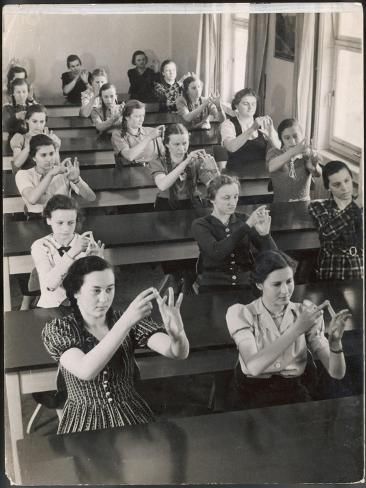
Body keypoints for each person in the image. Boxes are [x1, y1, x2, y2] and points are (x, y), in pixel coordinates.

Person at [41, 255, 189, 433]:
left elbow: (177, 353)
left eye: (109, 289)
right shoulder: (58, 329)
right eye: (96, 291)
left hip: (130, 412)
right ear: (75, 292)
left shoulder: (124, 319)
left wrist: (177, 334)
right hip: (83, 418)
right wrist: (126, 321)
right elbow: (85, 370)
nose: (104, 299)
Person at [226, 249, 350, 408]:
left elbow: (337, 373)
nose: (285, 290)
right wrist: (297, 329)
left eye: (289, 281)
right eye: (277, 284)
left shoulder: (305, 311)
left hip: (293, 392)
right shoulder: (241, 313)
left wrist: (335, 343)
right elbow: (253, 367)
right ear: (259, 284)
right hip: (251, 394)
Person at [191, 174, 277, 293]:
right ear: (212, 199)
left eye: (235, 197)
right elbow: (217, 252)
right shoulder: (200, 224)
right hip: (214, 285)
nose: (233, 202)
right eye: (226, 198)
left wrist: (265, 236)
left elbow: (274, 258)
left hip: (246, 283)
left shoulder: (243, 219)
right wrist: (247, 225)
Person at [31, 195, 104, 308]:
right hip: (52, 307)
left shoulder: (87, 243)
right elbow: (50, 285)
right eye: (60, 223)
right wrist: (72, 253)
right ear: (49, 220)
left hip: (83, 306)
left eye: (71, 223)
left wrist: (99, 262)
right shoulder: (40, 246)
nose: (66, 229)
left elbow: (100, 285)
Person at [15, 134, 96, 217]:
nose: (49, 159)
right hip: (36, 220)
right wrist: (51, 174)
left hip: (63, 218)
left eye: (51, 153)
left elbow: (91, 197)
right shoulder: (23, 174)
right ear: (33, 157)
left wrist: (77, 181)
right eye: (43, 155)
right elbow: (32, 199)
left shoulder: (65, 171)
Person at [308, 161, 363, 280]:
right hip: (333, 269)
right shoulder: (318, 206)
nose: (345, 188)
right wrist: (356, 206)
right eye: (337, 184)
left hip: (360, 268)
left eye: (347, 181)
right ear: (328, 187)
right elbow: (327, 233)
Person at [149, 123, 220, 210]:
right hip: (165, 203)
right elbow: (162, 185)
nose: (182, 148)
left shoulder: (196, 160)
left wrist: (214, 169)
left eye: (184, 143)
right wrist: (186, 162)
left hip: (192, 203)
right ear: (167, 144)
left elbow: (216, 188)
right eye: (176, 144)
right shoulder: (157, 161)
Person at [220, 88, 280, 172]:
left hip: (259, 176)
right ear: (236, 105)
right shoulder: (228, 124)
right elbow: (231, 147)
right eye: (245, 104)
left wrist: (271, 137)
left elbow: (280, 149)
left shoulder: (263, 122)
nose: (250, 107)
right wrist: (252, 129)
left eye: (253, 104)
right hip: (235, 175)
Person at [266, 118, 322, 202]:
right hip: (281, 205)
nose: (292, 141)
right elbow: (271, 167)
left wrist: (313, 167)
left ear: (302, 136)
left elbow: (318, 174)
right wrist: (293, 152)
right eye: (287, 138)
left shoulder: (307, 153)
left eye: (295, 136)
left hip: (303, 205)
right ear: (281, 139)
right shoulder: (274, 153)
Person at [111, 99, 165, 165]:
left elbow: (163, 155)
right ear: (127, 117)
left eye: (143, 115)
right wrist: (149, 137)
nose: (141, 120)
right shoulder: (117, 134)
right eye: (137, 116)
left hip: (153, 172)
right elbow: (129, 156)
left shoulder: (151, 131)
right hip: (129, 173)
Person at [10, 104, 61, 170]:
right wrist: (31, 144)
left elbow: (56, 165)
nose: (38, 126)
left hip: (47, 176)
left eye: (42, 122)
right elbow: (16, 164)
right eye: (34, 121)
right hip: (27, 178)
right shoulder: (20, 138)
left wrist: (56, 149)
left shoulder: (50, 137)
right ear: (27, 120)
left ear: (45, 122)